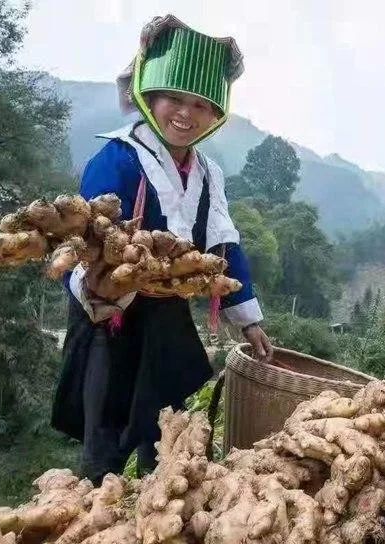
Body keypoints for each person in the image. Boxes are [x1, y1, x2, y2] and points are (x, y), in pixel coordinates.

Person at [51, 15, 273, 484]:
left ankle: (161, 497)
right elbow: (87, 241)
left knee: (172, 422)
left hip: (166, 316)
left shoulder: (209, 173)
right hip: (109, 319)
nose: (186, 114)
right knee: (106, 436)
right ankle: (99, 505)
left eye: (202, 104)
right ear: (148, 96)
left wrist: (248, 320)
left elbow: (223, 245)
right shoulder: (117, 158)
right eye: (175, 98)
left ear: (217, 115)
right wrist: (99, 284)